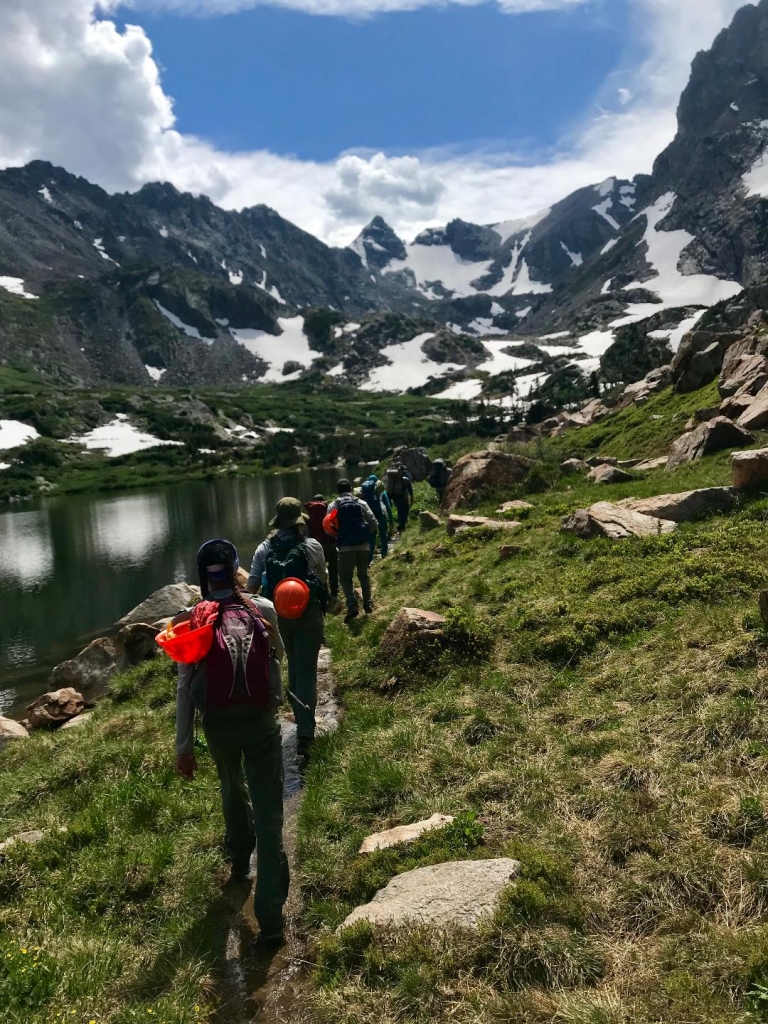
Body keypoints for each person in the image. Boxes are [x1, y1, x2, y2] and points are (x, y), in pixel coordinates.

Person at [175, 538, 289, 945]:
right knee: (270, 812)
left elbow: (186, 687)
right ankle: (271, 921)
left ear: (201, 575)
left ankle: (240, 861)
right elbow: (277, 656)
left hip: (218, 725)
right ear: (236, 568)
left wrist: (182, 745)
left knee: (231, 787)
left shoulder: (192, 618)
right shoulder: (263, 609)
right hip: (261, 722)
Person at [248, 498, 328, 761]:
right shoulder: (311, 545)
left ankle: (299, 717)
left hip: (277, 618)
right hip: (308, 614)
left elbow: (252, 585)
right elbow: (322, 576)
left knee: (291, 666)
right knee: (306, 672)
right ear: (299, 522)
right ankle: (306, 734)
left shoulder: (264, 548)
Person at [326, 479, 378, 623]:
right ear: (351, 489)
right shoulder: (361, 503)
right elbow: (374, 523)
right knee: (363, 576)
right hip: (364, 546)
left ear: (338, 491)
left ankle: (352, 605)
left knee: (345, 578)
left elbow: (328, 528)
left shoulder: (333, 505)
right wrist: (364, 534)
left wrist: (339, 535)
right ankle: (368, 603)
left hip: (345, 548)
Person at [304, 493, 339, 601]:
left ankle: (323, 593)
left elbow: (308, 532)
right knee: (333, 568)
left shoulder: (310, 513)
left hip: (316, 546)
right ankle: (334, 591)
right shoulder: (328, 511)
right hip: (331, 544)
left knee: (318, 571)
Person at [360, 474, 393, 563]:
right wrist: (391, 520)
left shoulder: (365, 493)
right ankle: (384, 554)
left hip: (370, 518)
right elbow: (388, 507)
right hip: (381, 516)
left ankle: (369, 558)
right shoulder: (381, 492)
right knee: (383, 535)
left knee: (371, 539)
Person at [384, 462, 414, 532]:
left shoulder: (392, 479)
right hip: (403, 498)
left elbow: (389, 490)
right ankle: (402, 526)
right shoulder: (405, 479)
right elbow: (410, 489)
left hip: (395, 498)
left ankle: (400, 525)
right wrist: (412, 497)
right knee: (405, 511)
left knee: (400, 511)